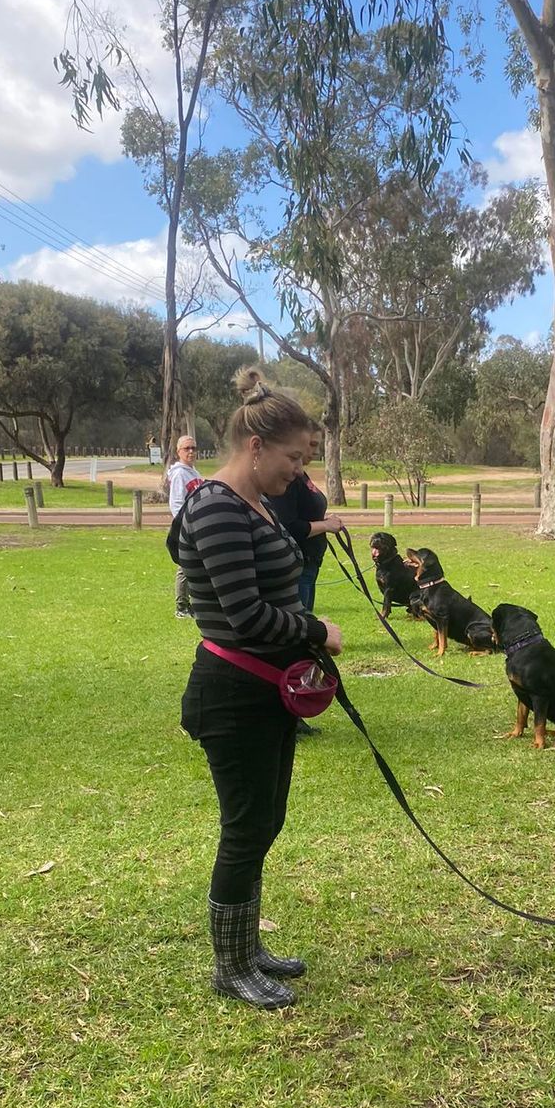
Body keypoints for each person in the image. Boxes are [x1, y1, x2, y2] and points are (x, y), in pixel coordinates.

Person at [176, 369, 343, 1009]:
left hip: (269, 689)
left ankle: (247, 946)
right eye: (293, 459)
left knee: (266, 818)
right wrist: (317, 630)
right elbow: (244, 615)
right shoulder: (215, 505)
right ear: (254, 446)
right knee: (246, 825)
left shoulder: (257, 504)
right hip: (231, 693)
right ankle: (230, 965)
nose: (301, 475)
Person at [266, 419, 345, 736]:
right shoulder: (286, 480)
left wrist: (324, 520)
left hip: (309, 564)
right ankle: (290, 709)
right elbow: (290, 527)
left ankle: (295, 705)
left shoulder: (301, 476)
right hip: (295, 567)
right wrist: (326, 527)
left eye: (313, 446)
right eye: (307, 446)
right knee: (295, 637)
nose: (310, 454)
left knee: (300, 637)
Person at [166, 435, 201, 618]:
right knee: (185, 566)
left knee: (194, 564)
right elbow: (177, 503)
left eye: (193, 448)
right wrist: (186, 526)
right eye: (187, 448)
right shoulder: (180, 473)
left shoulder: (193, 471)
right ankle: (181, 607)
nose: (191, 452)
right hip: (186, 527)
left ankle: (193, 604)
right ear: (178, 451)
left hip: (196, 524)